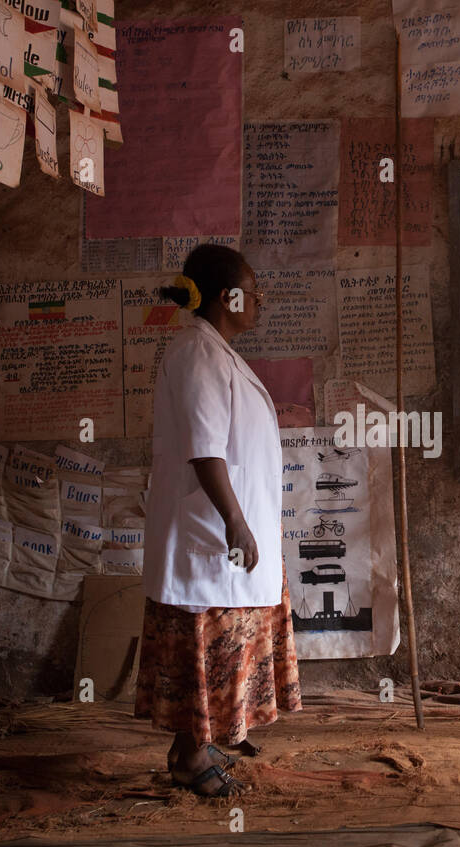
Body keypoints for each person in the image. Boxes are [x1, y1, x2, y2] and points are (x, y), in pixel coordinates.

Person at [136, 243, 301, 797]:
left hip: (227, 538)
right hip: (210, 539)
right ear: (228, 297)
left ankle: (201, 745)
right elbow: (206, 450)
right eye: (253, 291)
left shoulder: (216, 352)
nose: (260, 301)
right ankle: (189, 755)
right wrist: (235, 521)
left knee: (220, 647)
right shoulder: (197, 354)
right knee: (205, 648)